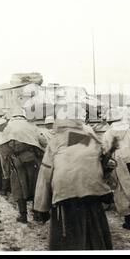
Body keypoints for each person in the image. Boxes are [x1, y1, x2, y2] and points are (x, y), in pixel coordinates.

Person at [34, 103, 114, 250]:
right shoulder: (91, 138)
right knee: (95, 231)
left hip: (65, 194)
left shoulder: (56, 140)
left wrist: (41, 207)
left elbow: (46, 173)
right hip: (93, 192)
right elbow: (102, 162)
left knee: (67, 238)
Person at [0, 108, 47, 223]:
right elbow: (43, 141)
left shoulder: (8, 126)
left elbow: (2, 146)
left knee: (19, 187)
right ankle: (37, 214)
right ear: (23, 116)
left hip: (16, 161)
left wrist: (9, 158)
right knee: (35, 185)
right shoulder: (31, 126)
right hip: (32, 159)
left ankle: (23, 215)